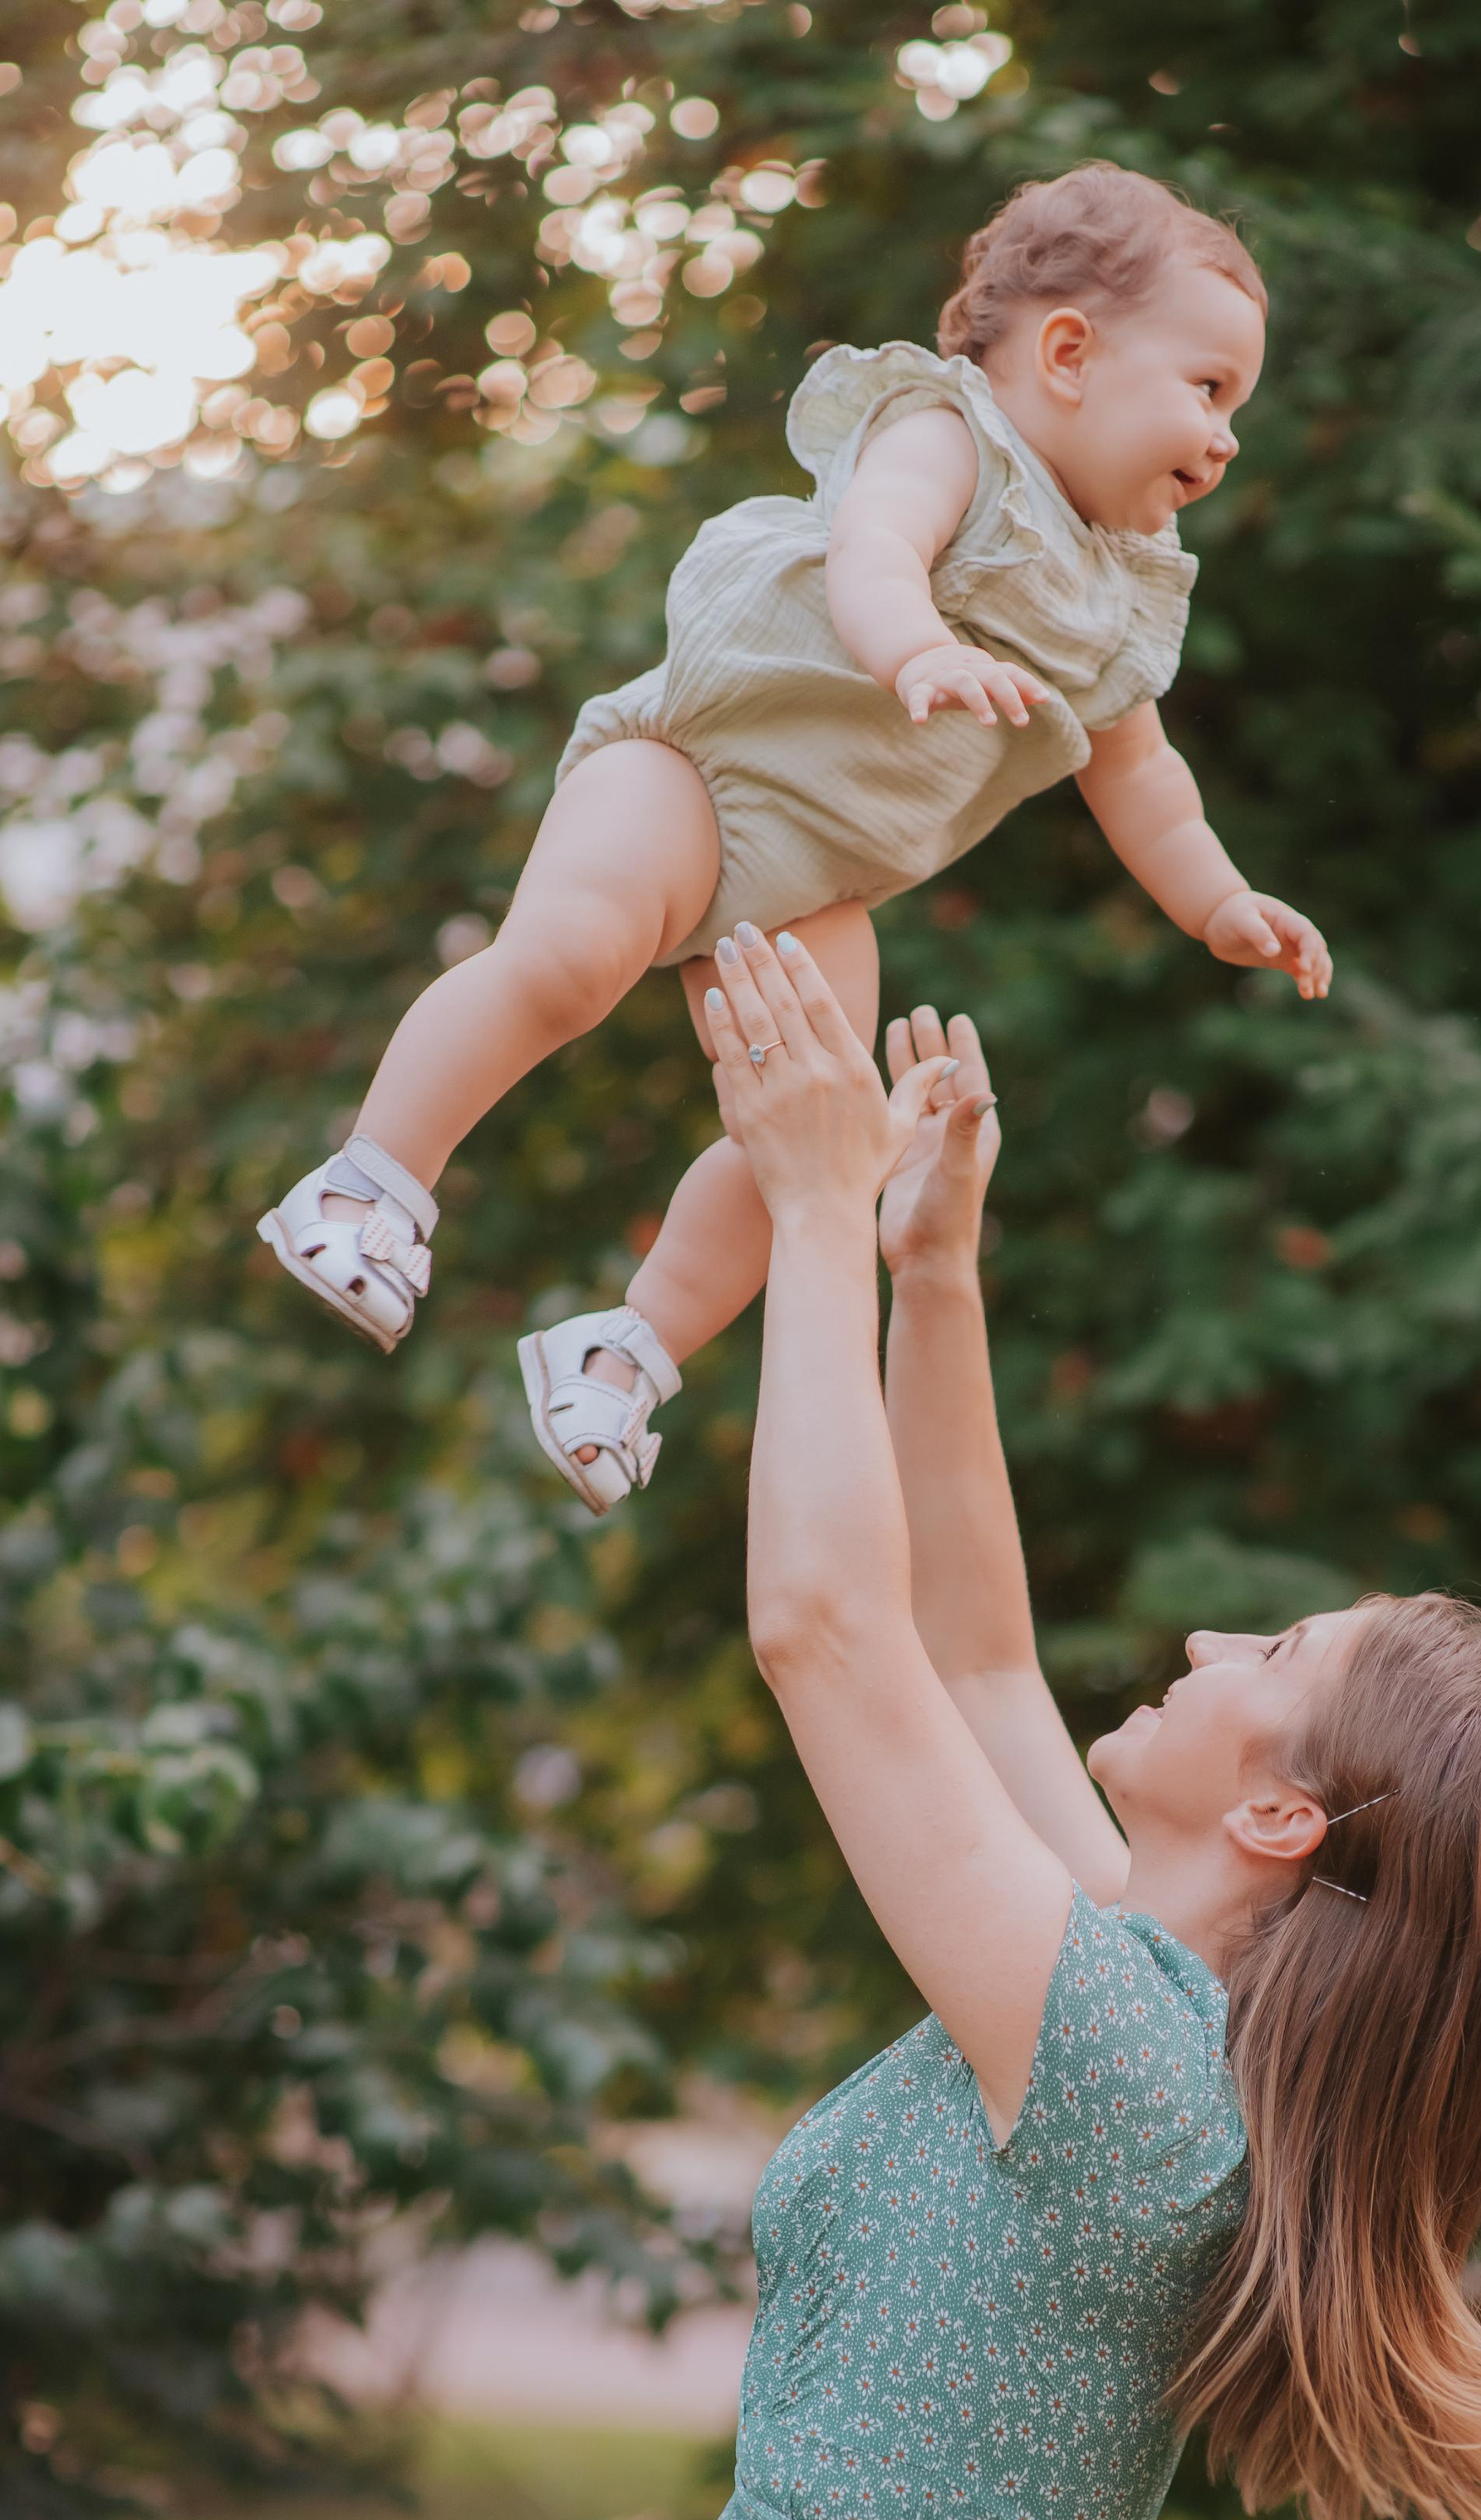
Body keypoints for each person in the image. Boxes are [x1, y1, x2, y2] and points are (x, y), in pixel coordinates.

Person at [611, 919, 1481, 2520]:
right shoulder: (1141, 2011)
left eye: (1265, 1644)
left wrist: (796, 1207)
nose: (1193, 1630)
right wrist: (935, 1276)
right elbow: (972, 1651)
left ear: (1279, 1816)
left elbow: (824, 1628)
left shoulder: (1122, 2073)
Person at [256, 162, 1331, 1513]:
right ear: (1069, 352)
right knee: (573, 959)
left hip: (822, 885)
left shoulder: (1120, 599)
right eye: (1210, 388)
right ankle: (368, 1186)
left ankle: (622, 1355)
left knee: (822, 1141)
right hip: (695, 772)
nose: (1230, 436)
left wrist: (1219, 902)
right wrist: (920, 647)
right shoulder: (955, 437)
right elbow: (872, 552)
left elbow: (1145, 778)